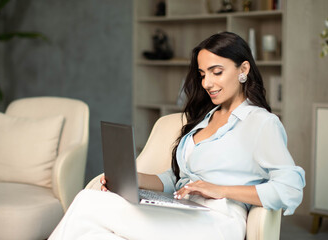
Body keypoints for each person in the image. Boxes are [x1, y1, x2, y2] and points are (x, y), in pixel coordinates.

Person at [49, 32, 305, 240]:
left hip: (217, 220)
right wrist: (133, 179)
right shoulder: (205, 119)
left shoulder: (261, 123)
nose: (206, 83)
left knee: (88, 202)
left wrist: (220, 190)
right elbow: (177, 179)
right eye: (203, 74)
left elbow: (290, 189)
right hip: (181, 208)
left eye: (217, 72)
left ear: (243, 69)